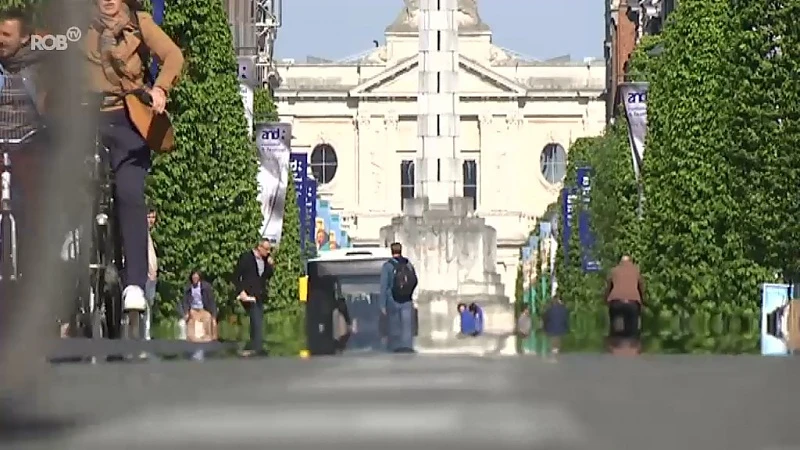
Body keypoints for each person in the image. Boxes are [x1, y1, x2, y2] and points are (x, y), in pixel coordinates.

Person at [85, 0, 184, 311]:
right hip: (85, 119)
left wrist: (161, 90)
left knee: (129, 192)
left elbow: (173, 56)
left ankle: (134, 285)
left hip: (129, 119)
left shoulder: (140, 24)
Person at [233, 239, 274, 356]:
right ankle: (257, 347)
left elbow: (267, 275)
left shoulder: (265, 260)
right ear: (259, 248)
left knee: (258, 318)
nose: (268, 252)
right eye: (266, 249)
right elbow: (236, 276)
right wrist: (241, 291)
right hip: (248, 295)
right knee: (256, 317)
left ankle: (254, 345)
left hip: (259, 294)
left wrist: (271, 265)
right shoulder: (246, 258)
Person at [379, 242, 418, 352]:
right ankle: (407, 347)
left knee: (394, 325)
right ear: (401, 250)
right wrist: (409, 292)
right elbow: (414, 280)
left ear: (392, 251)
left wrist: (382, 305)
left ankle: (396, 347)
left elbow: (384, 286)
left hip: (393, 299)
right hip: (407, 299)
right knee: (407, 325)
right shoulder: (408, 264)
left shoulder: (387, 266)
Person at [604, 255, 645, 338]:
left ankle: (614, 341)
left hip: (616, 302)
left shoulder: (614, 271)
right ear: (631, 261)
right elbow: (641, 286)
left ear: (620, 262)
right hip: (633, 303)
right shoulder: (636, 270)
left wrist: (605, 300)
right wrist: (643, 300)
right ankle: (633, 345)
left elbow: (608, 287)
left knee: (615, 329)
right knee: (633, 331)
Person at [143, 207, 157, 340]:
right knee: (144, 305)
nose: (151, 220)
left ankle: (146, 333)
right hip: (147, 275)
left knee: (149, 306)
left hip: (152, 276)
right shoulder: (142, 234)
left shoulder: (149, 234)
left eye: (153, 217)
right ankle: (143, 335)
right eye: (149, 217)